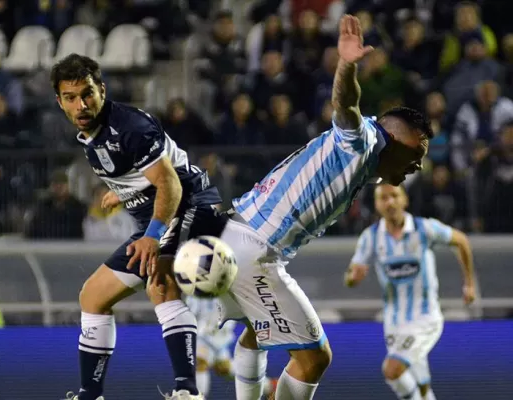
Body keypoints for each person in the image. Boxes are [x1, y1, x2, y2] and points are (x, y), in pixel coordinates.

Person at [212, 15, 434, 400]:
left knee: (255, 330)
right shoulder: (363, 141)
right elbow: (345, 104)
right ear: (396, 138)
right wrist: (347, 65)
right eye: (416, 155)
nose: (416, 166)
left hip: (235, 233)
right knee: (315, 359)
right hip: (255, 247)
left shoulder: (363, 161)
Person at [51, 54, 225, 400]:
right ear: (60, 102)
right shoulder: (90, 134)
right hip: (159, 212)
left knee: (159, 282)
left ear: (102, 90)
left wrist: (152, 236)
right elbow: (146, 176)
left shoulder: (130, 127)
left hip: (192, 204)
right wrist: (125, 193)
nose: (80, 104)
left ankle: (187, 391)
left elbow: (171, 184)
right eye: (70, 98)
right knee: (93, 296)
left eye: (87, 94)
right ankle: (91, 394)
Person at [345, 184, 476, 400]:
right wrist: (353, 278)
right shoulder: (370, 237)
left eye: (394, 196)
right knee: (422, 385)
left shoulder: (424, 228)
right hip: (394, 321)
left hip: (425, 318)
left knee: (392, 370)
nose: (389, 202)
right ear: (377, 205)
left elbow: (461, 241)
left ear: (404, 200)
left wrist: (469, 283)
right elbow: (350, 277)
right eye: (383, 198)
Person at [185, 297, 277, 397]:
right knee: (223, 367)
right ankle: (270, 387)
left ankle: (196, 397)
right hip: (203, 328)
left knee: (199, 361)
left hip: (215, 330)